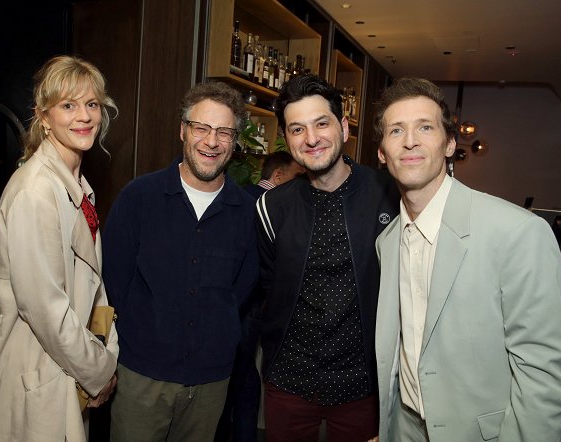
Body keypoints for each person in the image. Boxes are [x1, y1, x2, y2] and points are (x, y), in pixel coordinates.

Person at [372, 77, 561, 442]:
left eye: (425, 127)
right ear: (383, 153)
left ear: (449, 144)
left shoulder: (517, 232)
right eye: (396, 130)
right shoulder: (388, 241)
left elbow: (543, 375)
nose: (410, 141)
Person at [0, 55, 119, 441]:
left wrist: (106, 350)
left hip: (64, 368)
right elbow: (45, 309)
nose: (83, 116)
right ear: (43, 115)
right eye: (68, 105)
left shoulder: (77, 183)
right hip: (32, 374)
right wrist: (99, 371)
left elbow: (93, 287)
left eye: (91, 104)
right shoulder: (35, 191)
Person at [102, 80, 260, 441]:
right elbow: (114, 283)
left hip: (211, 382)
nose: (211, 141)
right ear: (183, 131)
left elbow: (240, 292)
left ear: (235, 142)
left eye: (224, 132)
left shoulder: (248, 214)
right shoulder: (139, 198)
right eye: (201, 128)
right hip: (141, 377)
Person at [254, 73, 399, 442]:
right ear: (286, 139)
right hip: (289, 381)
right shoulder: (272, 207)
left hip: (363, 385)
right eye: (297, 129)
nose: (312, 138)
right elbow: (266, 290)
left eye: (321, 123)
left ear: (344, 127)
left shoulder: (390, 197)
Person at [216, 150, 304, 442]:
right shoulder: (271, 204)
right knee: (241, 378)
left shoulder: (239, 196)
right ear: (278, 176)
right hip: (251, 305)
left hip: (233, 303)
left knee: (240, 378)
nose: (300, 184)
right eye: (296, 177)